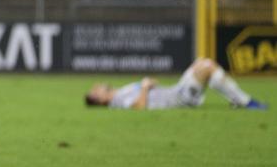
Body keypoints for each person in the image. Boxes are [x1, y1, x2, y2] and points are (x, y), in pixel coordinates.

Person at [85, 58, 267, 110]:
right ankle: (246, 102)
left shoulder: (119, 91)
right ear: (101, 99)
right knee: (208, 67)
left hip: (175, 90)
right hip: (178, 99)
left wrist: (148, 84)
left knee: (201, 62)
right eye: (95, 91)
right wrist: (145, 87)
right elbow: (139, 106)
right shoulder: (117, 100)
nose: (97, 86)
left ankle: (237, 100)